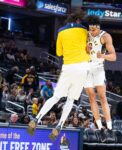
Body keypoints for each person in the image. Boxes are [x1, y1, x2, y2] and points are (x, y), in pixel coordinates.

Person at [27, 9, 90, 140]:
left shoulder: (61, 31)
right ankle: (60, 125)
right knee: (71, 99)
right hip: (82, 68)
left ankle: (37, 119)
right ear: (78, 20)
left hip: (68, 67)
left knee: (56, 97)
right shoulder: (85, 30)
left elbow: (59, 53)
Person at [84, 15, 116, 132]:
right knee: (91, 97)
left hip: (98, 68)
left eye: (93, 29)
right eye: (90, 29)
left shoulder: (105, 36)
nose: (91, 31)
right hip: (86, 68)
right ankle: (99, 126)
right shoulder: (86, 34)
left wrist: (102, 55)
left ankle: (109, 126)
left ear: (98, 27)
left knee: (102, 97)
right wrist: (85, 50)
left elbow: (113, 57)